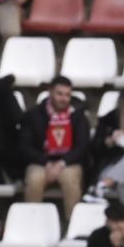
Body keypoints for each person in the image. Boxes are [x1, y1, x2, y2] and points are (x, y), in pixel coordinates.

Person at [22, 78, 91, 212]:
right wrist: (46, 162)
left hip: (69, 162)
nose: (63, 99)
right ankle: (32, 219)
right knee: (34, 179)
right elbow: (25, 146)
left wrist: (62, 163)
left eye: (67, 95)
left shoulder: (79, 116)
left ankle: (72, 222)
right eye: (59, 94)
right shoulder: (34, 115)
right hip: (40, 161)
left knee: (70, 180)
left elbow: (82, 146)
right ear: (50, 92)